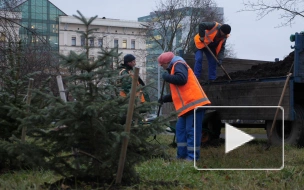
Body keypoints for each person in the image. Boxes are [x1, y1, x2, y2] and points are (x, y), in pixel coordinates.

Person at [157, 52, 211, 161]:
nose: (162, 68)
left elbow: (182, 80)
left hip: (194, 104)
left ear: (167, 62)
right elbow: (179, 92)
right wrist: (165, 98)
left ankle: (192, 158)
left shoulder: (179, 63)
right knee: (180, 130)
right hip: (187, 107)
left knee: (191, 131)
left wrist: (167, 77)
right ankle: (181, 156)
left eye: (162, 65)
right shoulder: (174, 68)